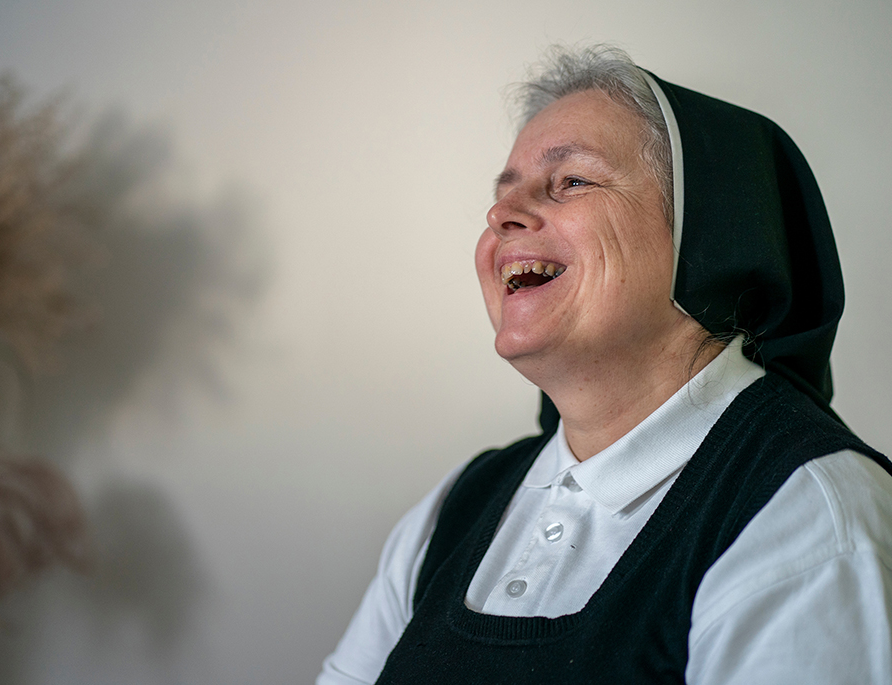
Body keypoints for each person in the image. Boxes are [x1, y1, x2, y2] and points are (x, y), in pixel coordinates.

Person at [317, 45, 892, 684]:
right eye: (504, 197)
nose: (501, 218)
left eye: (571, 181)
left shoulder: (806, 516)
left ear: (706, 232)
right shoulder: (455, 507)